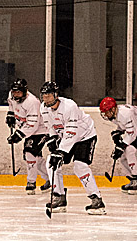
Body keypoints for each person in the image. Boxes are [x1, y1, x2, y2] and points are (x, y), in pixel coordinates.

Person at [39, 81, 106, 215]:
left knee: (80, 166)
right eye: (44, 96)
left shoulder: (69, 106)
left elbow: (71, 131)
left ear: (56, 95)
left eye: (49, 96)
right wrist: (53, 138)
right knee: (51, 162)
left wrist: (61, 151)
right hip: (66, 138)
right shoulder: (43, 108)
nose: (46, 99)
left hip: (84, 137)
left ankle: (96, 199)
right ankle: (58, 196)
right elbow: (51, 126)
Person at [98, 96, 137, 194]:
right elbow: (125, 126)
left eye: (107, 112)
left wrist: (121, 146)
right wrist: (118, 132)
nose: (105, 114)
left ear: (113, 109)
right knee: (122, 155)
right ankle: (132, 180)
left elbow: (132, 134)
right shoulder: (114, 115)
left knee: (131, 150)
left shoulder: (125, 113)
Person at [6, 79, 52, 194]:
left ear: (25, 91)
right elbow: (12, 105)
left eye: (18, 92)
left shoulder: (32, 102)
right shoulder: (11, 96)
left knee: (29, 154)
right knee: (36, 158)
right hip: (28, 129)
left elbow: (32, 125)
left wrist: (18, 135)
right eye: (14, 92)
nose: (15, 95)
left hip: (41, 130)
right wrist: (10, 115)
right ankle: (50, 179)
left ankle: (31, 182)